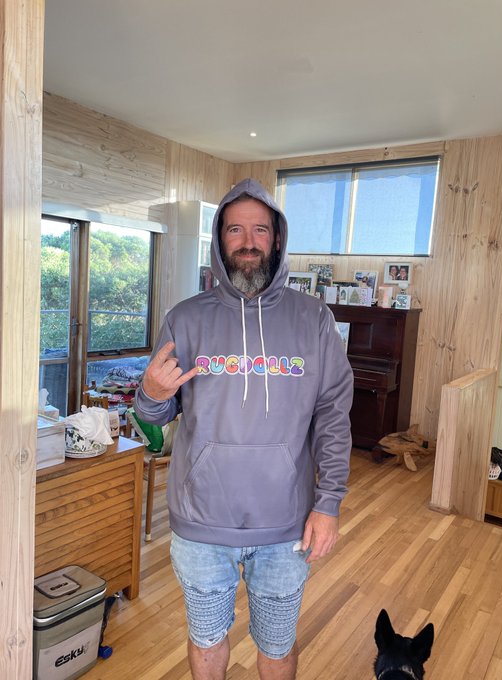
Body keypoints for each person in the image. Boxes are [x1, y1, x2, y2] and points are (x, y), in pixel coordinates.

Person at [134, 178, 353, 680]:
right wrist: (150, 394)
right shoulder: (185, 319)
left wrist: (328, 504)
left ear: (277, 239)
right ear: (219, 238)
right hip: (201, 523)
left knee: (277, 645)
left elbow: (333, 416)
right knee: (207, 639)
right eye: (235, 229)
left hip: (286, 525)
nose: (248, 241)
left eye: (260, 229)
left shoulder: (314, 319)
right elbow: (155, 418)